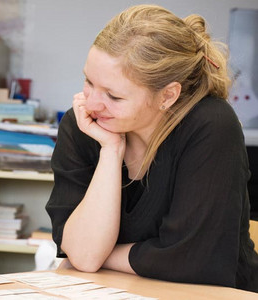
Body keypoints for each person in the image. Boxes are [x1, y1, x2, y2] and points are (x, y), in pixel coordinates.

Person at [46, 4, 258, 292]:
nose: (92, 104)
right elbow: (83, 255)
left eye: (114, 95)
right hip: (113, 290)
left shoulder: (211, 124)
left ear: (168, 96)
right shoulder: (83, 124)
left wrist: (101, 256)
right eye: (88, 81)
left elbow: (190, 260)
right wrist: (110, 151)